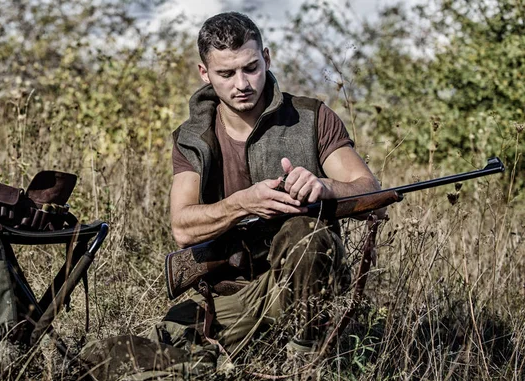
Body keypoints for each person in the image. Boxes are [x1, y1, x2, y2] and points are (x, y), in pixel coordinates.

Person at [149, 10, 383, 373]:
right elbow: (182, 227)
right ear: (204, 73)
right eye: (225, 74)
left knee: (307, 232)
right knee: (160, 353)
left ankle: (305, 357)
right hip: (229, 293)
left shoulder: (312, 118)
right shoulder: (192, 139)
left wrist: (324, 186)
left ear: (267, 58)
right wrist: (241, 204)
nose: (241, 83)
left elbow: (369, 190)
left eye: (251, 68)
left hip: (302, 282)